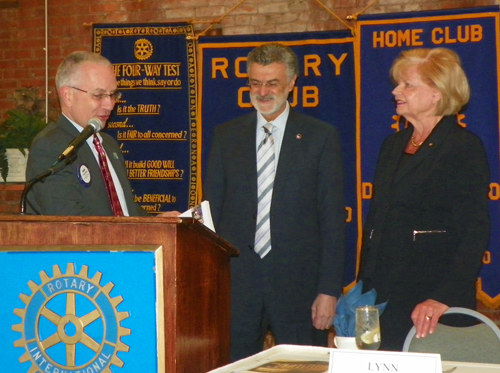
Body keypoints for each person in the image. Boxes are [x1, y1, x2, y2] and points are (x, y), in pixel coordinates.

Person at [204, 43, 346, 361]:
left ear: (292, 83)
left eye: (272, 83)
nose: (263, 91)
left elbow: (333, 221)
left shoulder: (321, 137)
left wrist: (329, 291)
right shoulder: (226, 137)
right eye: (255, 83)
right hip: (239, 288)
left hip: (301, 290)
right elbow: (212, 217)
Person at [358, 47, 490, 351]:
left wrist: (442, 297)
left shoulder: (462, 147)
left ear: (436, 93)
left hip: (432, 301)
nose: (396, 91)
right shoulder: (392, 145)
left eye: (407, 84)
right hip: (384, 297)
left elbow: (474, 231)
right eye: (398, 84)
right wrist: (363, 291)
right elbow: (378, 223)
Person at [26, 51, 176, 217]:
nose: (110, 105)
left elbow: (125, 212)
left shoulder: (108, 144)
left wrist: (157, 222)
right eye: (98, 95)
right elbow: (68, 222)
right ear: (68, 96)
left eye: (112, 95)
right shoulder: (50, 146)